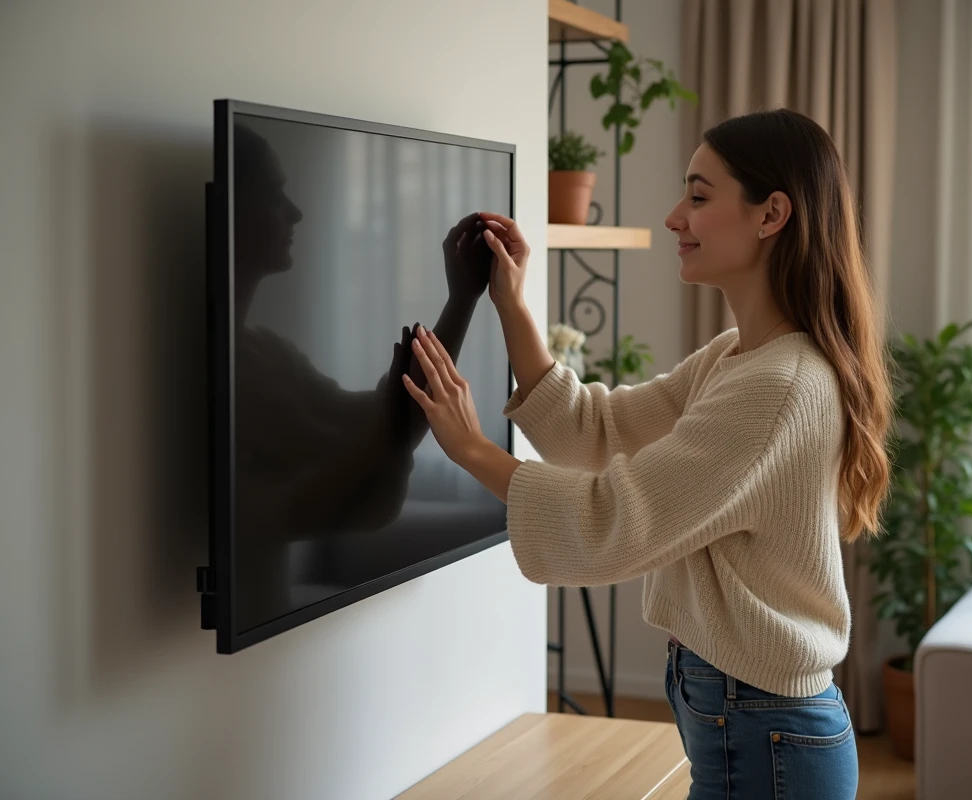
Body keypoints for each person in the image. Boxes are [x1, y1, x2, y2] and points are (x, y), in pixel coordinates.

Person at [401, 109, 892, 800]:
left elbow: (618, 520)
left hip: (765, 736)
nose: (673, 217)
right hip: (752, 724)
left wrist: (472, 450)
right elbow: (595, 431)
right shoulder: (739, 358)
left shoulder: (777, 386)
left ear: (770, 214)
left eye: (698, 196)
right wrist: (510, 304)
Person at [230, 123, 491, 628]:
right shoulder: (230, 371)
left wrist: (461, 298)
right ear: (233, 211)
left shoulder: (269, 353)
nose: (296, 212)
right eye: (273, 193)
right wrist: (460, 301)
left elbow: (381, 427)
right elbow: (371, 447)